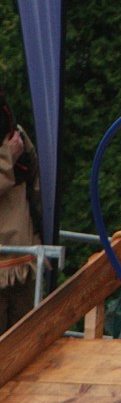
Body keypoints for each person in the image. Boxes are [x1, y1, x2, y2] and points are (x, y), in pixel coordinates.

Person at [0, 90, 43, 333]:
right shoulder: (15, 140)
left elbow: (35, 189)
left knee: (22, 351)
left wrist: (40, 239)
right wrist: (7, 158)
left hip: (23, 258)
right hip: (21, 254)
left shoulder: (17, 136)